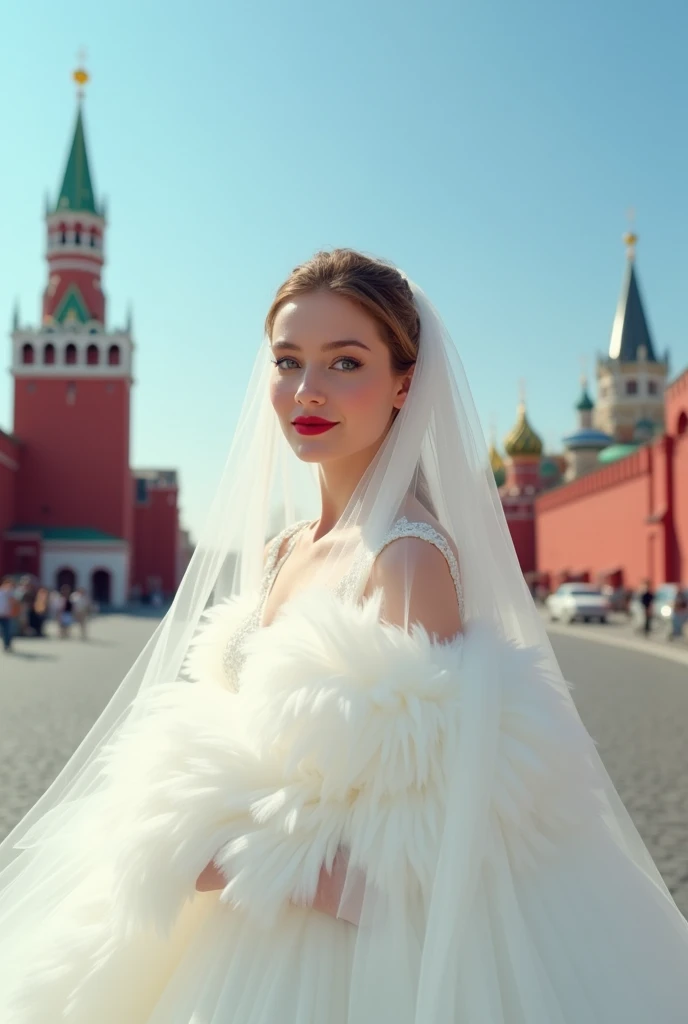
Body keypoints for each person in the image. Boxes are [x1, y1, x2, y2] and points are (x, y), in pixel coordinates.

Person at [1, 250, 688, 1022]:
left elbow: (414, 862)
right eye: (288, 361)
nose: (307, 392)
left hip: (330, 970)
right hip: (230, 927)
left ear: (404, 381)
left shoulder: (406, 558)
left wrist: (217, 851)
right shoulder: (282, 551)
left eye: (345, 361)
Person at [0, 577, 18, 653]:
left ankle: (7, 645)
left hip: (6, 615)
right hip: (2, 613)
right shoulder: (2, 592)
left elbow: (13, 603)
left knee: (7, 631)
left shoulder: (10, 593)